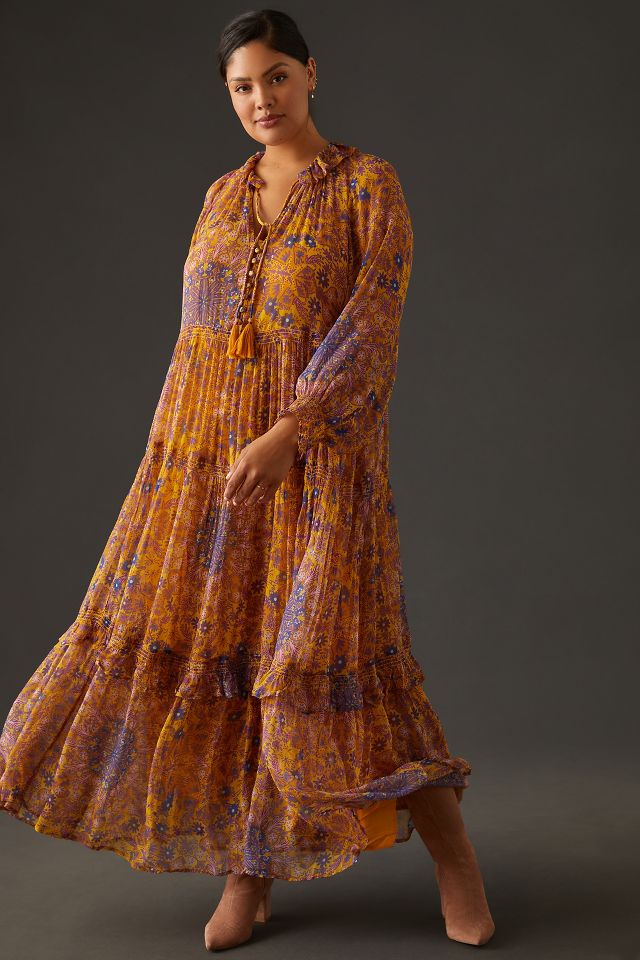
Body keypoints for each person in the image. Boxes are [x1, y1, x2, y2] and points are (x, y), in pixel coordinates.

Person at [0, 7, 495, 953]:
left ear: (310, 74)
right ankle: (248, 871)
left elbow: (372, 331)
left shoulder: (367, 187)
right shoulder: (221, 198)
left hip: (321, 470)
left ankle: (454, 858)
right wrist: (171, 469)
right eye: (241, 86)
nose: (260, 99)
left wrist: (291, 435)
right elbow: (195, 347)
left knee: (342, 662)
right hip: (218, 471)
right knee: (232, 662)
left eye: (275, 77)